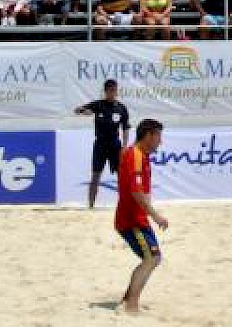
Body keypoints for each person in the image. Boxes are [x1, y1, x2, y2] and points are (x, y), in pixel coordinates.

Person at [115, 119, 168, 315]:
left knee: (153, 258)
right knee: (151, 258)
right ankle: (131, 306)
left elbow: (140, 192)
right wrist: (156, 215)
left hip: (138, 218)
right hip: (131, 220)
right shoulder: (135, 156)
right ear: (148, 136)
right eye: (158, 137)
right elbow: (136, 192)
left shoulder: (140, 155)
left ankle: (128, 300)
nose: (160, 142)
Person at [73, 79, 130, 209]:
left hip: (115, 145)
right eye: (110, 91)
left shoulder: (121, 108)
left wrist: (125, 147)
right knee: (95, 175)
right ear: (105, 91)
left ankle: (125, 204)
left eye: (115, 90)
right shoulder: (98, 105)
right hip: (100, 144)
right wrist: (84, 112)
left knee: (121, 175)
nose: (113, 93)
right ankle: (91, 205)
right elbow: (76, 110)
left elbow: (125, 128)